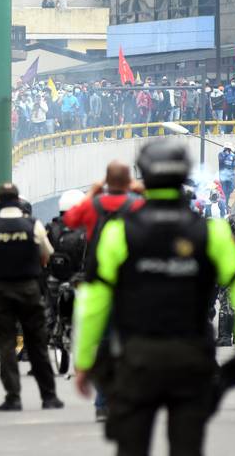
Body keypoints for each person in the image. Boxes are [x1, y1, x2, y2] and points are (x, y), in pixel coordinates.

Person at [73, 141, 235, 455]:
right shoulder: (213, 233)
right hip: (191, 360)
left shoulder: (118, 232)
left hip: (136, 360)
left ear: (144, 177)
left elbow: (93, 302)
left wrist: (84, 361)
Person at [63, 161, 144, 422]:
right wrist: (139, 191)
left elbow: (70, 219)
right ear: (129, 180)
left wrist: (92, 192)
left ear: (106, 182)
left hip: (99, 284)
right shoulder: (137, 205)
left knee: (103, 343)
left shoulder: (94, 205)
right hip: (132, 284)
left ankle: (102, 402)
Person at [0, 182, 64, 412]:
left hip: (0, 291)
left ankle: (13, 398)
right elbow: (46, 256)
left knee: (5, 344)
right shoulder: (33, 226)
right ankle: (49, 396)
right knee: (36, 343)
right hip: (29, 289)